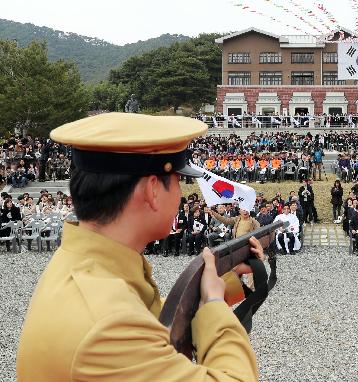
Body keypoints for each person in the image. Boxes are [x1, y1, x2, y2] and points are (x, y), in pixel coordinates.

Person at [17, 113, 261, 381]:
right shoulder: (108, 327)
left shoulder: (85, 268)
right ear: (153, 190)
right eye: (179, 181)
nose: (180, 193)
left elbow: (150, 315)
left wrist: (225, 282)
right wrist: (213, 304)